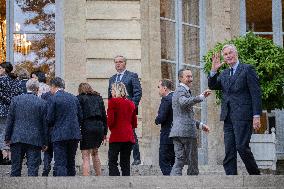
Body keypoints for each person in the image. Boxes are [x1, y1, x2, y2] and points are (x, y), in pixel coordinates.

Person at [208, 44, 261, 175]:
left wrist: (256, 115)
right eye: (225, 54)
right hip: (228, 117)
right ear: (224, 58)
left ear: (236, 54)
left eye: (230, 52)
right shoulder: (225, 73)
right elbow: (213, 85)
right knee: (229, 150)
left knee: (242, 147)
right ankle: (231, 179)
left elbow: (256, 94)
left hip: (243, 115)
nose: (228, 56)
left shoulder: (247, 69)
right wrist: (213, 71)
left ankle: (256, 176)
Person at [170, 68, 211, 176]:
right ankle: (194, 183)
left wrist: (201, 125)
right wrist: (201, 97)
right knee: (192, 160)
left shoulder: (181, 91)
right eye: (188, 77)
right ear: (180, 78)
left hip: (177, 132)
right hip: (186, 132)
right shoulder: (181, 90)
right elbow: (184, 103)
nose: (191, 79)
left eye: (191, 76)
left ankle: (173, 183)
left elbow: (184, 115)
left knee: (179, 160)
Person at [5, 79, 48, 176]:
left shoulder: (15, 100)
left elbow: (10, 121)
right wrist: (45, 142)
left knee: (15, 169)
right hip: (35, 140)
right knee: (33, 169)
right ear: (37, 89)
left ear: (26, 88)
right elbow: (44, 124)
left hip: (17, 138)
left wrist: (7, 138)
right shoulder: (42, 103)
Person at [108, 55, 142, 165]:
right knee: (115, 133)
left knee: (131, 132)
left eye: (120, 62)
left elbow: (138, 93)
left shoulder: (132, 76)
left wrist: (132, 106)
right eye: (116, 62)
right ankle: (114, 159)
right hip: (115, 111)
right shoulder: (112, 78)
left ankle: (136, 158)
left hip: (128, 110)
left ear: (125, 63)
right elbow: (109, 95)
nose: (118, 64)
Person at [46, 77, 82, 176]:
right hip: (74, 134)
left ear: (53, 86)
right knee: (71, 162)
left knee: (60, 163)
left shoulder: (53, 99)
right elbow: (80, 116)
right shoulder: (74, 97)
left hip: (59, 135)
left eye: (50, 87)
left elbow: (49, 119)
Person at [107, 82, 137, 176]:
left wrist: (110, 128)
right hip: (128, 136)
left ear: (116, 90)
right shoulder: (131, 103)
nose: (111, 91)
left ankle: (116, 183)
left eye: (112, 89)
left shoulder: (113, 102)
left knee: (112, 161)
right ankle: (126, 184)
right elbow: (134, 123)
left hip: (117, 135)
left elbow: (110, 121)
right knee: (125, 163)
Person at [77, 83, 107, 176]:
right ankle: (99, 177)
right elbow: (104, 116)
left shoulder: (80, 98)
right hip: (99, 127)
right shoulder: (98, 97)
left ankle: (86, 182)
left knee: (85, 156)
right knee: (95, 153)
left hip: (87, 126)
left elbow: (79, 116)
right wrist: (105, 132)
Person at [0, 62, 22, 165]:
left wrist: (7, 99)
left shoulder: (1, 80)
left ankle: (5, 155)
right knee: (10, 133)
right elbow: (18, 95)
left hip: (2, 110)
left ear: (4, 69)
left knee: (3, 132)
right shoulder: (16, 81)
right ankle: (10, 155)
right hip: (14, 110)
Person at [155, 79, 175, 175]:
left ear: (165, 88)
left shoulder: (166, 99)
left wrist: (157, 119)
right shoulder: (175, 97)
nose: (158, 89)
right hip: (176, 135)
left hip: (167, 135)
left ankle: (170, 183)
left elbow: (161, 117)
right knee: (173, 162)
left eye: (159, 87)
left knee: (163, 161)